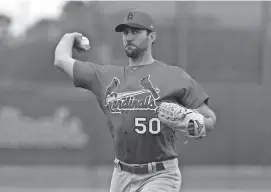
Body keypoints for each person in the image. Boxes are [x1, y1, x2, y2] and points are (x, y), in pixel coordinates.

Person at [54, 10, 216, 192]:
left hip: (161, 175)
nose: (129, 37)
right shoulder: (105, 76)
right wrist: (70, 37)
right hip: (121, 175)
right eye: (125, 32)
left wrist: (196, 124)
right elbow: (61, 60)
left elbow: (209, 119)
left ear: (152, 36)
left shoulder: (175, 76)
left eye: (136, 32)